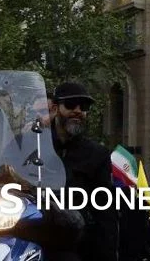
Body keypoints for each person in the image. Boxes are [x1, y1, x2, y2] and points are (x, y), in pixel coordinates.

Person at [52, 81, 118, 261]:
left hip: (74, 241)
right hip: (32, 231)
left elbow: (105, 210)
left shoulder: (97, 154)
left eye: (84, 106)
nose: (78, 111)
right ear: (55, 108)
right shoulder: (33, 145)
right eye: (71, 104)